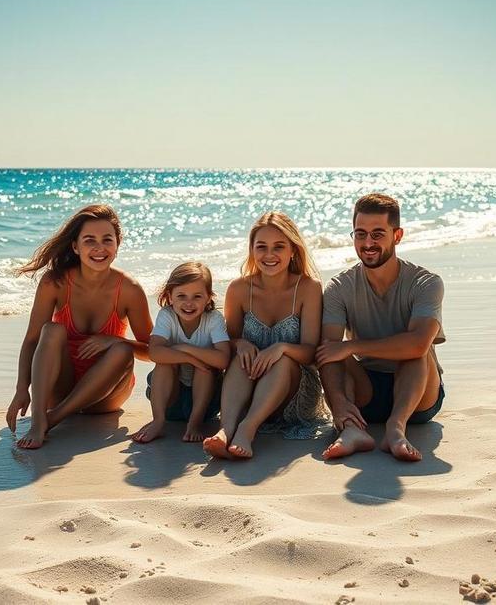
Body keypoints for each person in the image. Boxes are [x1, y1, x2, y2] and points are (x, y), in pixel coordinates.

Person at [5, 204, 152, 449]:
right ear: (75, 246)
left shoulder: (129, 289)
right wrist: (22, 389)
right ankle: (42, 415)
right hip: (60, 387)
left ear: (117, 245)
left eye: (107, 240)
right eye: (89, 240)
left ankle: (49, 420)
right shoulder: (56, 282)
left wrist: (115, 340)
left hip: (107, 395)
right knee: (51, 330)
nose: (99, 248)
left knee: (123, 350)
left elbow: (152, 350)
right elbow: (32, 340)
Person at [316, 193, 446, 462]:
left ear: (397, 236)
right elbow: (328, 351)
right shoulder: (340, 287)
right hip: (367, 394)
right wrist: (339, 406)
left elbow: (420, 343)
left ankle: (395, 429)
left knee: (416, 350)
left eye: (378, 234)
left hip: (419, 395)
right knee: (329, 350)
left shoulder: (426, 283)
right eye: (360, 234)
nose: (367, 243)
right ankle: (351, 430)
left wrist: (352, 346)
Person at [203, 212, 329, 459]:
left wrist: (281, 348)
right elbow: (226, 343)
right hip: (246, 390)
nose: (269, 255)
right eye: (261, 247)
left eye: (278, 247)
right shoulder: (239, 288)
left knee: (281, 360)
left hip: (294, 393)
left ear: (293, 250)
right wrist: (240, 343)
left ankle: (247, 431)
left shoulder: (308, 288)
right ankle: (226, 430)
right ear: (251, 250)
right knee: (242, 355)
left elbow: (310, 351)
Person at [132, 262, 231, 443]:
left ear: (209, 297)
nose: (188, 303)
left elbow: (223, 359)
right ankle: (158, 421)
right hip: (170, 401)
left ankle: (194, 423)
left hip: (205, 404)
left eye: (197, 296)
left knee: (206, 368)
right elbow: (154, 352)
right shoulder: (167, 315)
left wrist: (185, 348)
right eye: (181, 296)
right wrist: (188, 358)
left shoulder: (213, 319)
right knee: (164, 363)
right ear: (170, 297)